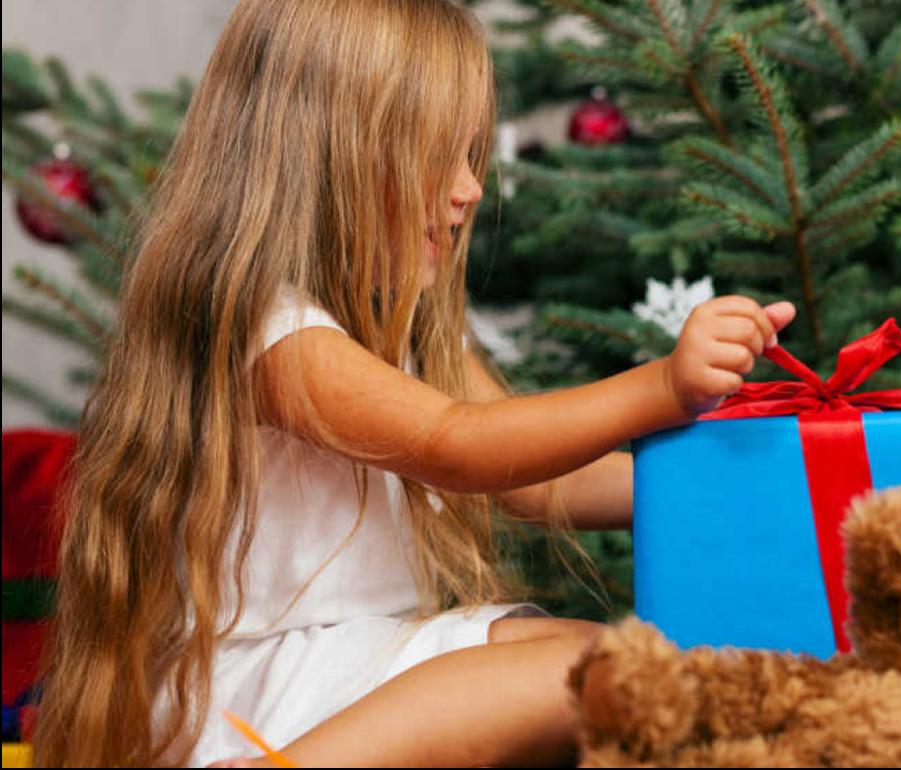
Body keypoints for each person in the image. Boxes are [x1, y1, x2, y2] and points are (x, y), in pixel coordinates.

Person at [32, 0, 796, 766]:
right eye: (440, 155)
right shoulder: (272, 333)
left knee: (630, 667)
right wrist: (662, 387)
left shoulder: (392, 326)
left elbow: (534, 484)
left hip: (366, 654)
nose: (468, 190)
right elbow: (459, 446)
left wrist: (732, 494)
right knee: (589, 675)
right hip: (256, 690)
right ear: (332, 154)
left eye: (472, 157)